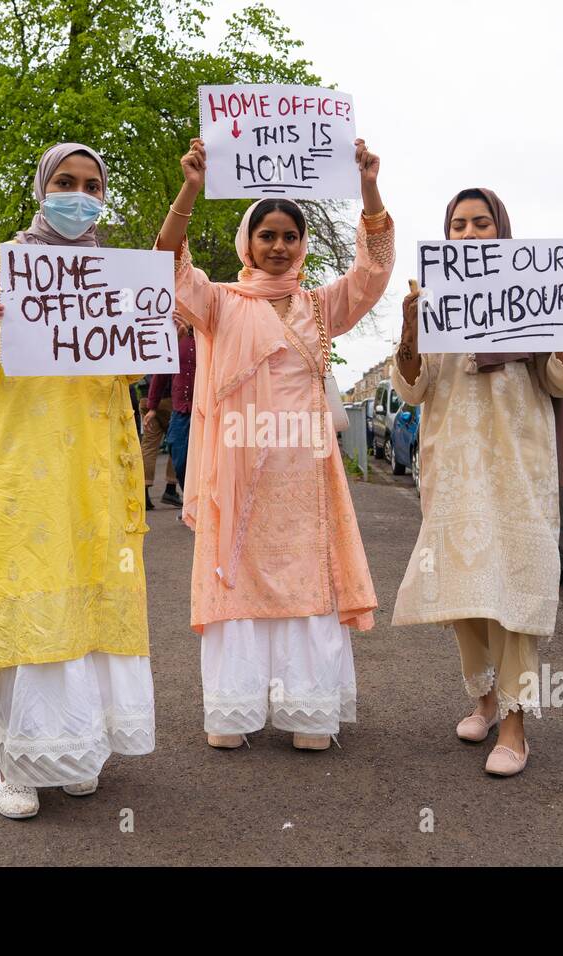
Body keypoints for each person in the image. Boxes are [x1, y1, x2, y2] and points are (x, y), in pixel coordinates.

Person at [0, 143, 155, 820]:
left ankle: (78, 751)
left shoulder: (117, 274)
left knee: (87, 602)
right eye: (65, 181)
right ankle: (15, 762)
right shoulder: (4, 262)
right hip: (26, 462)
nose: (78, 193)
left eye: (91, 184)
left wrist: (150, 327)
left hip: (94, 462)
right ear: (41, 186)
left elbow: (135, 370)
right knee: (27, 590)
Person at [156, 136, 394, 752]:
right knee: (235, 579)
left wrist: (368, 184)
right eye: (268, 235)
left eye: (290, 235)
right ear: (248, 242)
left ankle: (308, 710)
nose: (280, 246)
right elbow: (167, 266)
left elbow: (373, 273)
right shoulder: (220, 303)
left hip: (304, 475)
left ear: (302, 243)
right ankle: (232, 711)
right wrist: (191, 187)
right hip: (236, 473)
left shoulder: (320, 306)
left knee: (306, 584)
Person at [391, 187, 563, 777]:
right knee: (464, 589)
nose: (471, 233)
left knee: (516, 591)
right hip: (453, 465)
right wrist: (409, 330)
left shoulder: (532, 294)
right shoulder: (432, 298)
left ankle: (515, 723)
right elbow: (412, 388)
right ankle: (482, 697)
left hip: (517, 466)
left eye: (482, 223)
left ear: (502, 232)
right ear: (447, 234)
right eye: (459, 224)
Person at [146, 313, 195, 510]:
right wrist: (152, 407)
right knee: (178, 455)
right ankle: (190, 497)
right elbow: (161, 375)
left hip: (205, 411)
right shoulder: (175, 339)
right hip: (180, 410)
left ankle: (197, 506)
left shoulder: (209, 339)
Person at [140, 373, 177, 509]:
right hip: (167, 396)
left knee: (148, 446)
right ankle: (171, 488)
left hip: (145, 395)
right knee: (178, 441)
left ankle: (143, 492)